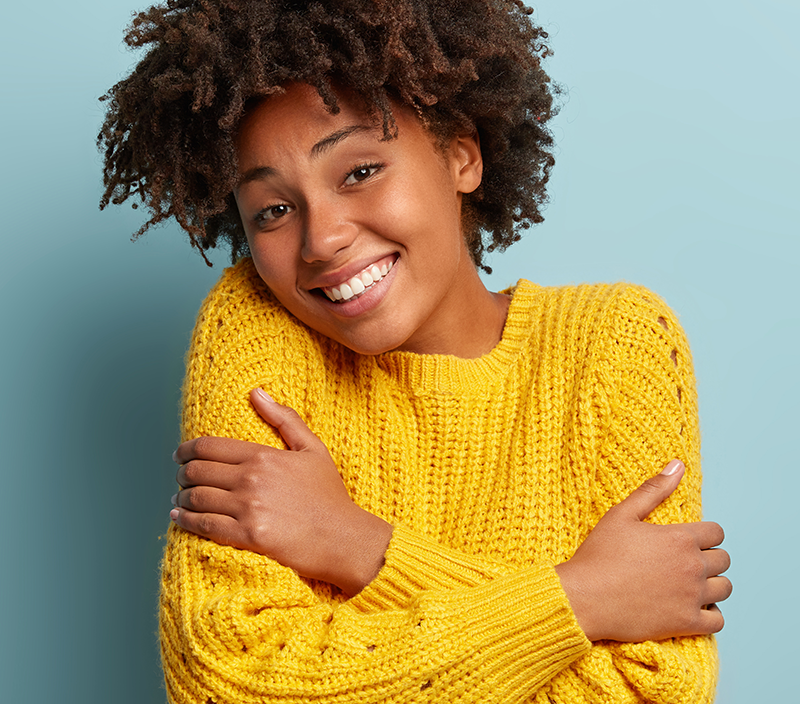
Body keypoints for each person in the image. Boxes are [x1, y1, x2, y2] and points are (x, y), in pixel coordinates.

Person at [99, 1, 732, 701]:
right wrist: (586, 600)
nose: (321, 241)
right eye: (273, 211)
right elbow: (229, 682)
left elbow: (655, 689)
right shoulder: (258, 323)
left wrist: (356, 545)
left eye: (359, 172)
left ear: (461, 154)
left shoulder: (615, 340)